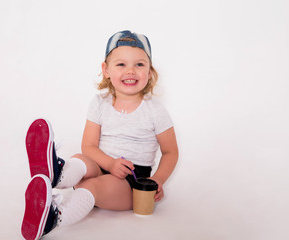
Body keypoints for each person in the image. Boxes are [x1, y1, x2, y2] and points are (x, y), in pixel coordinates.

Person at [21, 30, 179, 240]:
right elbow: (88, 146)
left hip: (132, 180)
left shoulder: (155, 111)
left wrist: (157, 180)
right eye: (121, 64)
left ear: (149, 72)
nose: (130, 71)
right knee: (79, 158)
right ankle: (57, 174)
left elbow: (170, 152)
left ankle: (55, 217)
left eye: (139, 64)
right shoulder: (99, 103)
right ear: (106, 70)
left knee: (92, 186)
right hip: (102, 163)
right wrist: (111, 163)